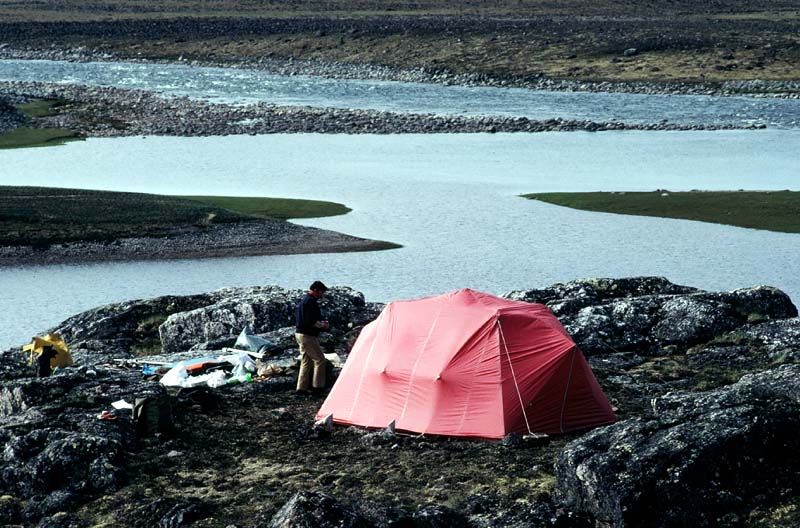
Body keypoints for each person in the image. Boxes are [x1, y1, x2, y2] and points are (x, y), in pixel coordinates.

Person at [295, 280, 330, 395]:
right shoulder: (310, 302)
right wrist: (322, 325)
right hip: (307, 335)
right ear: (315, 290)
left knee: (306, 361)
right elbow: (309, 321)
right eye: (321, 292)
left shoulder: (305, 301)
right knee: (320, 360)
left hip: (300, 334)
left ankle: (301, 388)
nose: (322, 295)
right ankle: (318, 387)